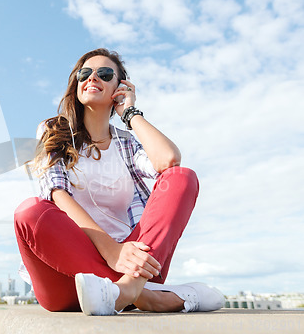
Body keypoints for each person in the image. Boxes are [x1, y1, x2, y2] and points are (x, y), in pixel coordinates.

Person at [14, 48, 224, 315]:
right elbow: (57, 193)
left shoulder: (126, 143)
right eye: (85, 73)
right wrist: (112, 252)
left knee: (181, 178)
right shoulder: (52, 130)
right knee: (29, 212)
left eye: (104, 73)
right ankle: (145, 298)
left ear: (119, 88)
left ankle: (127, 291)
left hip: (135, 264)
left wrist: (131, 113)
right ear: (76, 84)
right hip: (67, 274)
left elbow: (169, 160)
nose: (93, 78)